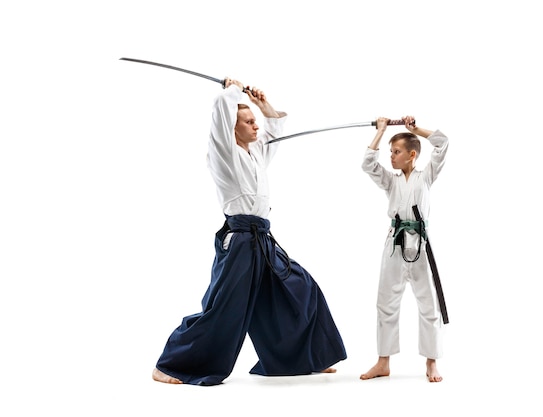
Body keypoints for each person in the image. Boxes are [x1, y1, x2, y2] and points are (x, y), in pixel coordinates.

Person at [151, 78, 347, 386]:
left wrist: (263, 105)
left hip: (263, 240)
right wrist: (232, 89)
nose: (256, 126)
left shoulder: (256, 155)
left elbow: (273, 134)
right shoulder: (223, 155)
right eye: (249, 121)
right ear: (232, 127)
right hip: (240, 241)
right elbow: (219, 111)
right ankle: (171, 364)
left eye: (256, 121)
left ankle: (304, 358)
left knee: (302, 289)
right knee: (222, 309)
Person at [359, 116, 449, 383]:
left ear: (412, 155)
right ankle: (383, 362)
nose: (391, 157)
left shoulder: (426, 176)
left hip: (420, 244)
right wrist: (381, 131)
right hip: (395, 244)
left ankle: (431, 362)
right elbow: (367, 163)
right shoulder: (391, 181)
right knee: (385, 302)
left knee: (429, 304)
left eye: (396, 152)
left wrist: (414, 130)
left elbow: (443, 143)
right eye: (390, 152)